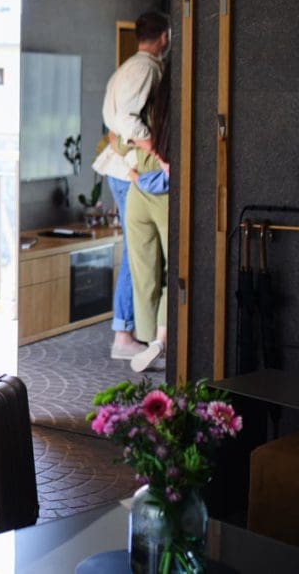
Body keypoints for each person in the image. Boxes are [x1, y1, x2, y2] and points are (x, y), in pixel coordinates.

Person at [91, 11, 170, 360]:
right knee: (140, 256)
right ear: (164, 37)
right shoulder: (147, 69)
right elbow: (126, 121)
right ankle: (126, 334)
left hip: (122, 164)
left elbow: (114, 125)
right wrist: (154, 147)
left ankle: (138, 333)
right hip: (132, 170)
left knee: (138, 253)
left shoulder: (125, 69)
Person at [125, 66, 172, 373]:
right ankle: (162, 339)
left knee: (143, 273)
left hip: (137, 191)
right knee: (175, 268)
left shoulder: (138, 110)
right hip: (166, 195)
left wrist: (133, 170)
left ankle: (146, 340)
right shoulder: (175, 112)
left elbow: (115, 140)